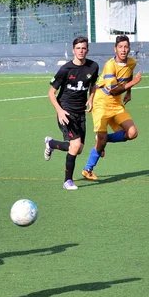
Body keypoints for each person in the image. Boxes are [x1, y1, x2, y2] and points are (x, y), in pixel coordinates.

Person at [82, 35, 142, 179]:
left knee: (132, 133)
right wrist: (133, 83)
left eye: (126, 47)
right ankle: (87, 169)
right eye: (120, 47)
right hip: (101, 102)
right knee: (102, 138)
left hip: (116, 104)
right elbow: (114, 90)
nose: (123, 50)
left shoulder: (132, 62)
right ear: (115, 49)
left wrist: (129, 92)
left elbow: (129, 73)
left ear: (129, 48)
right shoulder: (110, 65)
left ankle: (102, 140)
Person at [43, 36, 99, 190]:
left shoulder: (93, 67)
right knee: (74, 146)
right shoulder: (65, 70)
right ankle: (67, 181)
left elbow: (93, 84)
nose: (81, 51)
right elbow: (51, 93)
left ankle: (51, 143)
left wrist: (91, 98)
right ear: (73, 50)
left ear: (87, 50)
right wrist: (60, 111)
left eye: (84, 48)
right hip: (66, 112)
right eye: (78, 48)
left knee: (78, 148)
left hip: (80, 113)